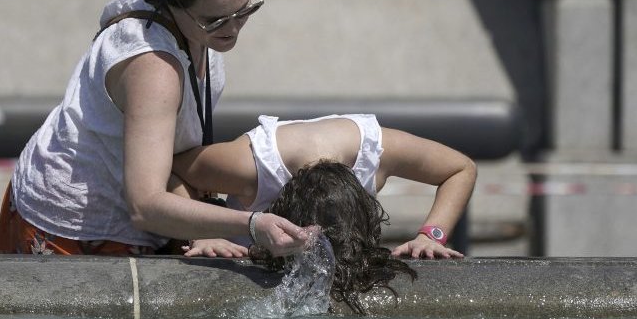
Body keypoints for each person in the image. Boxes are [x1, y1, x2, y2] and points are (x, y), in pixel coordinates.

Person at [0, 0, 308, 256]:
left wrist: (202, 227)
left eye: (244, 11)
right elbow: (145, 205)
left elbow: (172, 158)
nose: (233, 28)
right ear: (176, 1)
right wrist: (252, 223)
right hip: (72, 223)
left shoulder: (179, 9)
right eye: (215, 20)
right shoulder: (154, 69)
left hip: (131, 199)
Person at [171, 114, 477, 260]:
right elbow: (169, 170)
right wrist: (203, 232)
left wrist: (431, 236)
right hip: (239, 247)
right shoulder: (247, 166)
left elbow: (460, 168)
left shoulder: (378, 151)